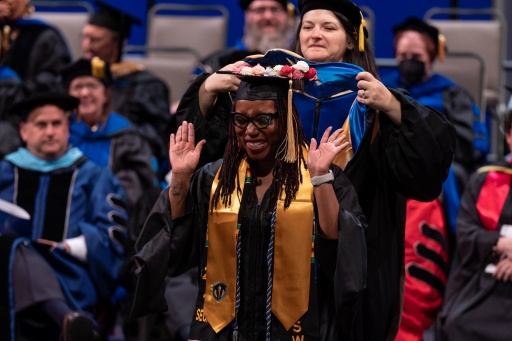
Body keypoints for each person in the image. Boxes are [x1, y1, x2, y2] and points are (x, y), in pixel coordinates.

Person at [176, 0, 456, 339]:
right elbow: (210, 158)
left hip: (349, 249)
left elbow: (423, 177)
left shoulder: (373, 100)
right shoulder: (268, 91)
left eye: (328, 27)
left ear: (353, 39)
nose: (315, 34)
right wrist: (207, 90)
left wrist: (395, 107)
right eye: (308, 27)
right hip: (269, 242)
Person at [130, 68, 367, 340]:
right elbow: (174, 244)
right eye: (240, 120)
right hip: (222, 329)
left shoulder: (320, 174)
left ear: (287, 120)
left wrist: (321, 178)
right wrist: (181, 178)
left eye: (264, 120)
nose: (250, 131)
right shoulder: (214, 178)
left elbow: (340, 242)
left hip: (298, 329)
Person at [0, 92, 128, 341]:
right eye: (41, 124)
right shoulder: (4, 172)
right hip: (5, 276)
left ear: (68, 128)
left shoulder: (93, 176)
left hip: (69, 275)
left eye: (57, 124)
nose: (50, 132)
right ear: (24, 131)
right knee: (13, 247)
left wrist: (68, 247)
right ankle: (67, 319)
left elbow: (110, 236)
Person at [381, 16, 488, 181]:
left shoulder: (452, 94)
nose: (409, 61)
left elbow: (468, 147)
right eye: (403, 55)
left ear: (431, 58)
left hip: (439, 167)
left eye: (416, 57)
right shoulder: (385, 89)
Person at [439, 108, 512, 340]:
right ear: (509, 136)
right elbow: (465, 232)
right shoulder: (485, 180)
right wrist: (501, 244)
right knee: (459, 323)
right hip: (484, 283)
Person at [81, 0, 172, 175]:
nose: (86, 46)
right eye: (84, 37)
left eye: (95, 40)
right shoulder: (77, 80)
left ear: (117, 43)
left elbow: (158, 140)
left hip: (126, 165)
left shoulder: (146, 86)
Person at [60, 57, 158, 208]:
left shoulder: (126, 136)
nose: (85, 93)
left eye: (92, 86)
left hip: (113, 214)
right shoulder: (59, 133)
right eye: (78, 87)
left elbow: (140, 184)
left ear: (105, 94)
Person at [194, 0, 296, 75]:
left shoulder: (300, 60)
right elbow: (188, 101)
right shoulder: (218, 62)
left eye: (275, 9)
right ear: (246, 15)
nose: (268, 16)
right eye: (260, 10)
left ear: (286, 15)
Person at [0, 0, 72, 93]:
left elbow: (55, 76)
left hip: (30, 102)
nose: (9, 1)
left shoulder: (45, 34)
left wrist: (20, 92)